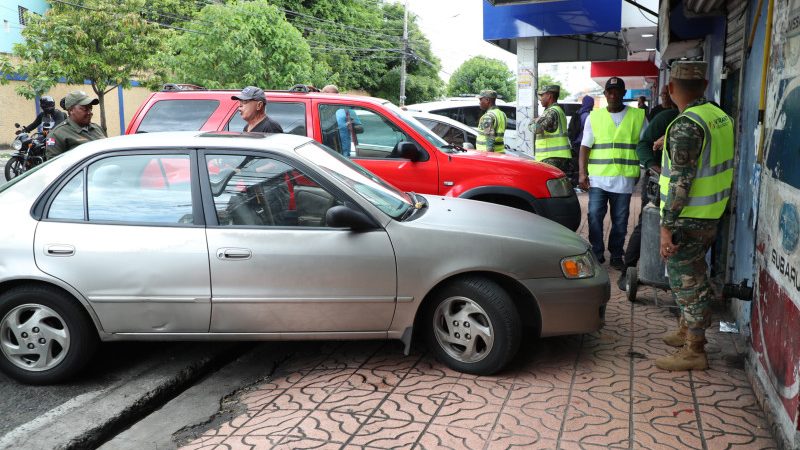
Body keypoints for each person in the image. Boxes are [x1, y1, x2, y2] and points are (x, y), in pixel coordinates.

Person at [655, 61, 734, 371]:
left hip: (687, 218)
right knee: (695, 275)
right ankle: (687, 329)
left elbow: (681, 183)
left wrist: (665, 227)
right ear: (704, 86)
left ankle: (695, 349)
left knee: (688, 282)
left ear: (672, 88)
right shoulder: (718, 116)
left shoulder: (687, 125)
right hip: (711, 213)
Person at [578, 77, 648, 270]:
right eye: (609, 91)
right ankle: (597, 252)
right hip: (599, 177)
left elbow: (645, 145)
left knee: (620, 220)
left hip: (624, 178)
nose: (613, 95)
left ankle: (616, 254)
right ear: (605, 94)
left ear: (624, 93)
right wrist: (582, 173)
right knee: (593, 215)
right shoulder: (594, 117)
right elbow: (585, 147)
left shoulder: (639, 116)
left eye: (617, 91)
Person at [618, 95, 679, 289]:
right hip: (658, 182)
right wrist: (654, 166)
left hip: (694, 192)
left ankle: (672, 278)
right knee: (648, 222)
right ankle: (627, 268)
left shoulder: (709, 117)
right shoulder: (667, 117)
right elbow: (644, 145)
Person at [45, 91, 106, 159]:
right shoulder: (57, 135)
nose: (90, 112)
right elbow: (55, 166)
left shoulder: (97, 128)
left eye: (90, 108)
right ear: (71, 110)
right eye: (85, 109)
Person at [529, 85, 571, 173]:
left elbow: (536, 129)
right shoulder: (558, 110)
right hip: (559, 156)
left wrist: (532, 122)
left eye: (542, 95)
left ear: (549, 96)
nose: (540, 99)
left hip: (550, 158)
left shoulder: (551, 112)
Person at [567, 95, 595, 187]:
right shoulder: (587, 115)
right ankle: (583, 183)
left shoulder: (578, 112)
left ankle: (579, 183)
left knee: (578, 164)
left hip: (575, 142)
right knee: (583, 164)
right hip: (583, 144)